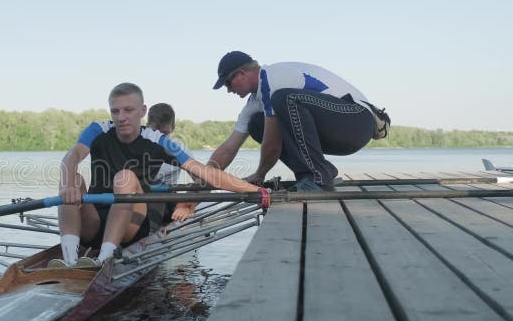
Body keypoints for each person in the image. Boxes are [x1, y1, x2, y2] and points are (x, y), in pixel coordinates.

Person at [54, 83, 265, 268]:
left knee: (125, 177)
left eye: (128, 110)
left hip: (131, 226)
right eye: (115, 111)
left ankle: (105, 260)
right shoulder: (98, 129)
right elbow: (72, 156)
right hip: (94, 223)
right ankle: (70, 262)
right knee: (71, 178)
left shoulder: (157, 140)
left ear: (142, 111)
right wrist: (68, 184)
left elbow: (205, 173)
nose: (121, 117)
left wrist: (256, 191)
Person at [209, 51, 389, 191]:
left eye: (227, 84)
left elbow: (272, 145)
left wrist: (259, 175)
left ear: (241, 74)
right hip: (339, 129)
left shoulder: (272, 76)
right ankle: (322, 170)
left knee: (284, 99)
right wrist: (206, 175)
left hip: (357, 120)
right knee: (256, 124)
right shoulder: (254, 103)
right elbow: (229, 147)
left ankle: (317, 180)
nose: (228, 91)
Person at [146, 103, 195, 223]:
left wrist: (185, 204)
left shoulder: (179, 149)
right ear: (147, 127)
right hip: (139, 196)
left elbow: (201, 180)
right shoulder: (136, 145)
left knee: (160, 190)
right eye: (154, 132)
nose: (160, 138)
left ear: (173, 127)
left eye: (164, 134)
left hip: (165, 200)